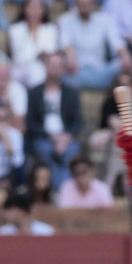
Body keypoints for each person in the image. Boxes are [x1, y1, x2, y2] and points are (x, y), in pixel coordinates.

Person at [26, 51, 83, 185]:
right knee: (45, 151)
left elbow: (77, 121)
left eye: (59, 65)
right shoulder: (34, 93)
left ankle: (63, 192)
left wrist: (65, 137)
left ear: (63, 68)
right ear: (45, 66)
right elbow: (31, 123)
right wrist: (53, 137)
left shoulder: (71, 93)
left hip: (66, 138)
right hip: (43, 137)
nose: (55, 68)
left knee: (71, 152)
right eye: (52, 64)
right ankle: (57, 190)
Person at [59, 0, 127, 90]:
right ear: (75, 4)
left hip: (100, 71)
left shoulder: (105, 19)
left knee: (121, 65)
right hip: (76, 71)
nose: (84, 6)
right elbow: (65, 43)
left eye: (87, 3)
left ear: (93, 4)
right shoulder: (65, 20)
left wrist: (125, 56)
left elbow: (116, 43)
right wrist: (71, 59)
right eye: (81, 3)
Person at [8, 0, 60, 89]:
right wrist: (39, 54)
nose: (34, 10)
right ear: (24, 9)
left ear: (43, 10)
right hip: (19, 68)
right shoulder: (15, 30)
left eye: (38, 6)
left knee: (37, 72)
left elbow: (51, 52)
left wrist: (43, 55)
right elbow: (19, 56)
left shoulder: (51, 29)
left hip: (42, 69)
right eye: (31, 6)